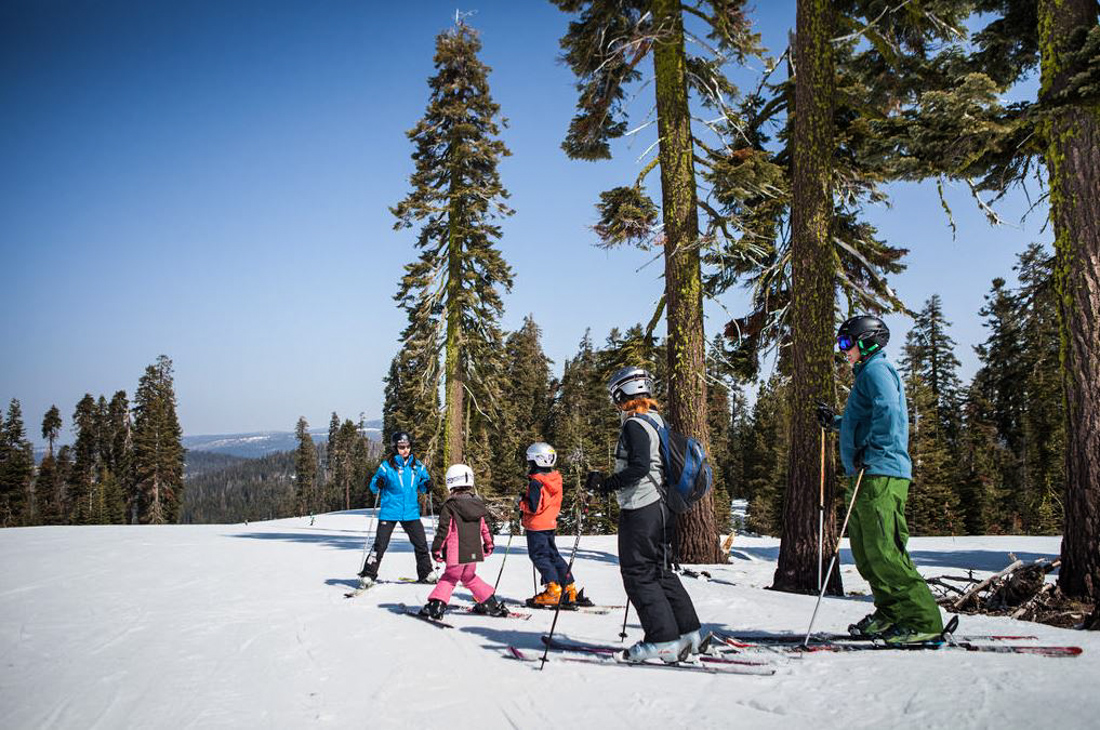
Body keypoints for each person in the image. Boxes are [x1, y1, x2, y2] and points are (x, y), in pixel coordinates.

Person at [816, 315, 946, 645]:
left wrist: (872, 451)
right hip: (867, 473)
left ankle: (922, 619)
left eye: (846, 343)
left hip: (881, 472)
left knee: (885, 549)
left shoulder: (876, 370)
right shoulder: (867, 374)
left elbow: (888, 411)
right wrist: (837, 423)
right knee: (867, 550)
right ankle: (892, 612)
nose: (842, 350)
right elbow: (869, 416)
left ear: (866, 341)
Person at [585, 366, 703, 663]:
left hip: (642, 507)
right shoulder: (657, 421)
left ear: (621, 393)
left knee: (638, 573)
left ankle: (662, 640)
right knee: (660, 570)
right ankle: (689, 634)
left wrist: (604, 484)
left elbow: (638, 468)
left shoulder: (635, 425)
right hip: (664, 508)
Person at [419, 464, 509, 619]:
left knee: (449, 578)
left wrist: (436, 549)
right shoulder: (478, 504)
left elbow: (444, 530)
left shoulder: (450, 506)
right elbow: (485, 527)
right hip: (473, 552)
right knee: (469, 577)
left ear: (451, 482)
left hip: (456, 553)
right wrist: (489, 544)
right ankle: (490, 603)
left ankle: (436, 605)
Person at [520, 442, 591, 608]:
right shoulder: (554, 479)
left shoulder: (536, 482)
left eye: (529, 461)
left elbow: (533, 507)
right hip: (549, 523)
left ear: (535, 461)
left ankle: (553, 589)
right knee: (553, 555)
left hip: (537, 526)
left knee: (539, 556)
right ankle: (569, 588)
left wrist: (521, 503)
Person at [358, 431, 434, 584]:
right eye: (401, 447)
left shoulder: (417, 467)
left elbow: (423, 483)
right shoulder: (386, 467)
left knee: (421, 544)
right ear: (395, 448)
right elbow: (374, 485)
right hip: (389, 511)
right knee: (380, 545)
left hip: (410, 512)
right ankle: (368, 574)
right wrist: (378, 483)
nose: (405, 449)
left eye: (407, 446)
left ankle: (426, 573)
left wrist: (427, 485)